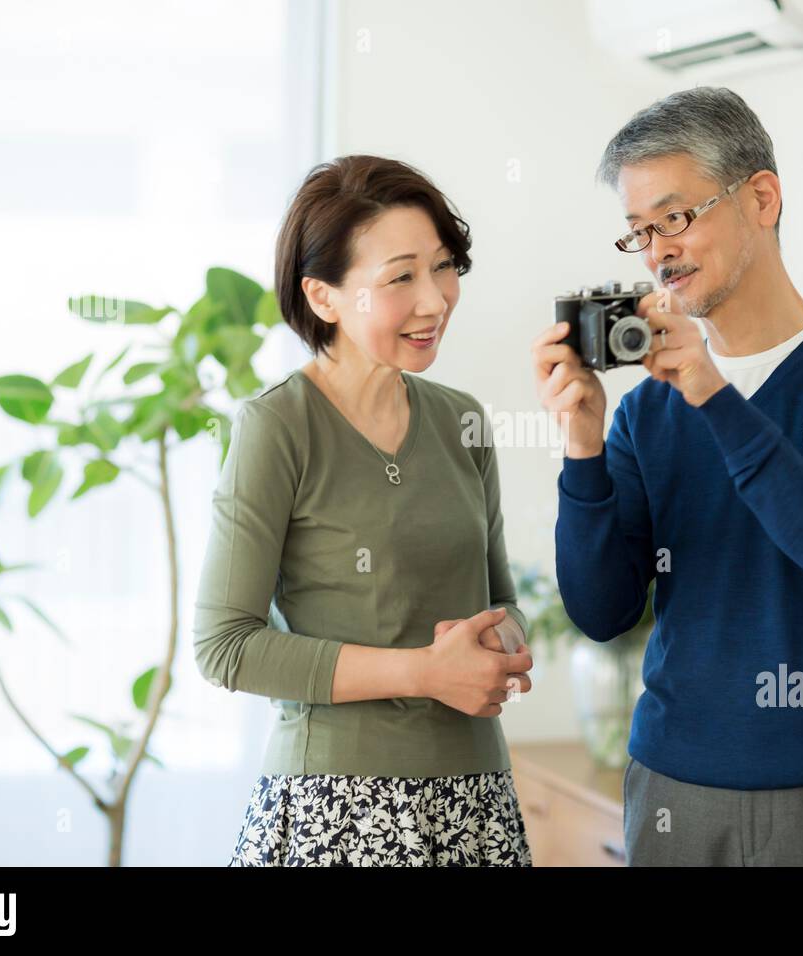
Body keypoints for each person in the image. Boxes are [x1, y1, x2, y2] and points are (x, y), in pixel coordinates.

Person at [532, 87, 803, 865]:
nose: (658, 252)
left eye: (675, 218)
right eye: (639, 232)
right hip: (674, 794)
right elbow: (601, 609)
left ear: (761, 197)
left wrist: (714, 396)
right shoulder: (648, 411)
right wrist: (582, 445)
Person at [195, 154, 535, 866]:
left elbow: (501, 598)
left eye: (443, 267)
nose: (435, 300)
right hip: (336, 809)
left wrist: (500, 647)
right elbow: (225, 646)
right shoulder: (277, 426)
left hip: (475, 803)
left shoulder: (462, 421)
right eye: (401, 277)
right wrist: (424, 672)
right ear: (323, 298)